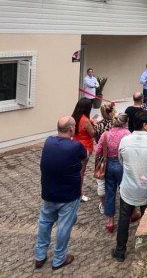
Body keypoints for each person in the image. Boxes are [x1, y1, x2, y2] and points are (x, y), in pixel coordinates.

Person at [34, 116, 87, 271]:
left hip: (48, 192)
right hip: (68, 194)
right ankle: (59, 259)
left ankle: (40, 255)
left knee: (45, 222)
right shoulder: (75, 146)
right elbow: (84, 157)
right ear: (71, 129)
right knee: (64, 226)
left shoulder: (48, 141)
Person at [111, 109, 147, 262]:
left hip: (128, 187)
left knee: (124, 219)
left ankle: (120, 251)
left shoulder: (125, 140)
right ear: (145, 125)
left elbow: (121, 160)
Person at [96, 113, 130, 234]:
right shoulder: (127, 134)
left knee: (109, 192)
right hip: (122, 164)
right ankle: (127, 215)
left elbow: (98, 151)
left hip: (109, 164)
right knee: (124, 191)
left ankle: (110, 221)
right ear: (125, 123)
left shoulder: (105, 134)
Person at [71, 97, 95, 202]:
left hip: (74, 144)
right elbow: (92, 134)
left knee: (74, 170)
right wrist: (95, 125)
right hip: (85, 147)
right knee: (81, 171)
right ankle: (79, 194)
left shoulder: (74, 117)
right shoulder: (85, 120)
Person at [93, 103, 116, 198]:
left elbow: (96, 139)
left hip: (101, 155)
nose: (115, 112)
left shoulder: (98, 125)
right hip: (113, 155)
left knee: (101, 180)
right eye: (114, 111)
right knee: (112, 179)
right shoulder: (115, 125)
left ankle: (102, 204)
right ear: (110, 114)